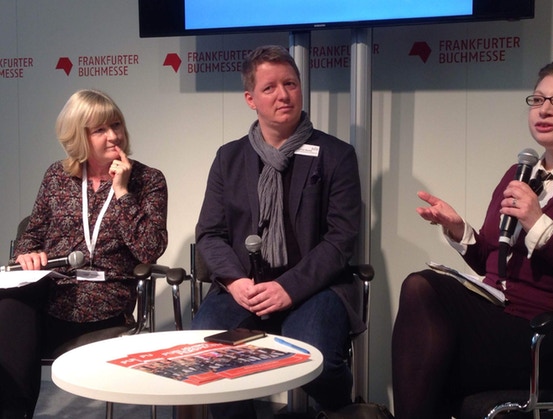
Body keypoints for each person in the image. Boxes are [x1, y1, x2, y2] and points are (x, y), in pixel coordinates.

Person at [391, 60, 553, 419]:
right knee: (423, 290)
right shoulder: (521, 174)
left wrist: (540, 227)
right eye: (538, 99)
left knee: (429, 335)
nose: (544, 109)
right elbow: (497, 265)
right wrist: (459, 230)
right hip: (507, 319)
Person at [191, 45, 362, 418]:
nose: (283, 95)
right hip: (245, 288)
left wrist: (289, 288)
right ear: (251, 99)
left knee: (316, 360)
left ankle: (342, 410)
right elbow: (209, 234)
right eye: (270, 88)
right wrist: (235, 281)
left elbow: (340, 239)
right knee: (213, 353)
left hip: (315, 287)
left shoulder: (336, 155)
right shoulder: (229, 158)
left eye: (291, 84)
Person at [0, 89, 168, 418]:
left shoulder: (147, 180)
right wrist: (26, 255)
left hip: (106, 301)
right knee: (9, 308)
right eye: (100, 130)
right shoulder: (56, 177)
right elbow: (31, 234)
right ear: (80, 137)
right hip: (51, 293)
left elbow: (150, 248)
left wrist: (122, 193)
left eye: (116, 125)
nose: (114, 136)